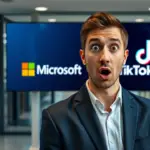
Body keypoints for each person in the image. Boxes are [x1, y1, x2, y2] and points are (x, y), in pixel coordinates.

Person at [40, 12, 150, 150]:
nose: (105, 57)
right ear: (83, 57)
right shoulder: (56, 118)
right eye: (95, 47)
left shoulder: (147, 111)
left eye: (114, 47)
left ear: (125, 57)